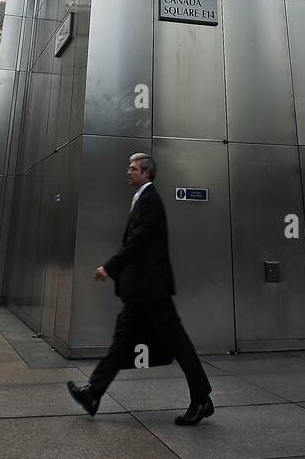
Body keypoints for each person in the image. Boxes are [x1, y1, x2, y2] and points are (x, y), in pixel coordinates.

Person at [67, 153, 214, 426]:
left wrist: (110, 267)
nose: (128, 172)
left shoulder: (150, 201)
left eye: (133, 168)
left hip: (152, 289)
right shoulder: (143, 199)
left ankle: (201, 398)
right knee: (123, 341)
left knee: (178, 344)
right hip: (142, 290)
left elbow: (136, 241)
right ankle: (94, 393)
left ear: (146, 173)